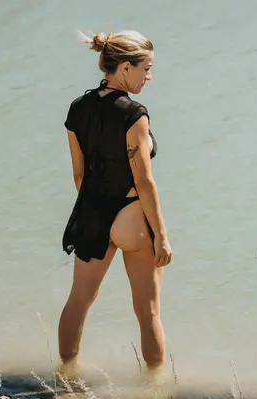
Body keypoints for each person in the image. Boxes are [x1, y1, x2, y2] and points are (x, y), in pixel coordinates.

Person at [57, 29, 172, 377]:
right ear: (124, 67)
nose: (149, 76)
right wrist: (162, 235)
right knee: (148, 312)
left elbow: (79, 175)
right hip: (131, 217)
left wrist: (96, 212)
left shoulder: (78, 108)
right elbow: (144, 181)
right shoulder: (133, 113)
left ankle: (66, 378)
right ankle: (154, 389)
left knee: (79, 300)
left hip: (92, 213)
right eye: (146, 68)